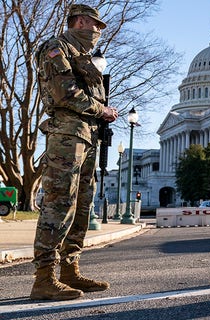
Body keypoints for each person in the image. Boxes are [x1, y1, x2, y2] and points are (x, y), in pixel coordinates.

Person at [31, 4, 118, 300]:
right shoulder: (56, 48)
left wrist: (99, 115)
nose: (97, 32)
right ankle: (44, 278)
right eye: (96, 26)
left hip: (87, 135)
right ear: (80, 21)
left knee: (81, 205)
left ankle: (70, 271)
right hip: (67, 135)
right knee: (59, 203)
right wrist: (101, 109)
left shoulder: (83, 56)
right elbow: (65, 93)